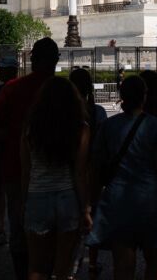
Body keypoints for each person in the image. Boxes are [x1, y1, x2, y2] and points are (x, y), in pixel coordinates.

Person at [88, 75, 157, 280]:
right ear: (144, 97)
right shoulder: (156, 126)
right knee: (154, 264)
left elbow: (97, 169)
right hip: (151, 200)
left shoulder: (108, 127)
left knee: (123, 266)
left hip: (118, 200)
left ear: (121, 97)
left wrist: (90, 205)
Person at [0, 38, 60, 280]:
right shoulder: (64, 93)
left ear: (31, 60)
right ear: (57, 61)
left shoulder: (13, 89)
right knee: (54, 231)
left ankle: (24, 274)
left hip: (17, 170)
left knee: (20, 229)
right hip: (58, 175)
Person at [21, 77, 90, 280]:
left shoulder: (30, 127)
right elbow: (80, 172)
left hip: (37, 195)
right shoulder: (80, 128)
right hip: (67, 197)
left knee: (37, 267)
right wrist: (85, 208)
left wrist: (23, 202)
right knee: (63, 269)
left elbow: (26, 169)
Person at [67, 68, 107, 278]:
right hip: (92, 170)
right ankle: (92, 262)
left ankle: (68, 263)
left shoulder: (63, 113)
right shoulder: (97, 112)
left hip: (68, 170)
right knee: (92, 216)